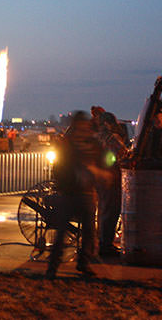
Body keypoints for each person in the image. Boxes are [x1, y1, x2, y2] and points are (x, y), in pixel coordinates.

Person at [46, 111, 105, 279]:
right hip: (69, 193)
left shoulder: (92, 144)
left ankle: (83, 263)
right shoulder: (67, 146)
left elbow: (103, 161)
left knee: (89, 232)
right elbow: (59, 169)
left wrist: (100, 172)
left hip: (87, 194)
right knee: (62, 232)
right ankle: (53, 266)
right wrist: (73, 177)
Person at [96, 112, 129, 257]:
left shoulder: (96, 137)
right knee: (111, 212)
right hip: (112, 178)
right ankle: (106, 245)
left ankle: (102, 242)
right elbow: (123, 155)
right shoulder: (112, 138)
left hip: (99, 178)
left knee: (103, 211)